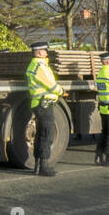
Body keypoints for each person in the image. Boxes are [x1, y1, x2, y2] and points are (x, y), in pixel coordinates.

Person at [26, 41, 65, 175]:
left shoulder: (34, 65)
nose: (47, 53)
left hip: (39, 103)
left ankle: (38, 165)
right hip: (44, 103)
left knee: (40, 134)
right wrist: (61, 90)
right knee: (46, 134)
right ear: (40, 52)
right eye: (45, 50)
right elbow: (51, 85)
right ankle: (44, 166)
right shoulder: (40, 66)